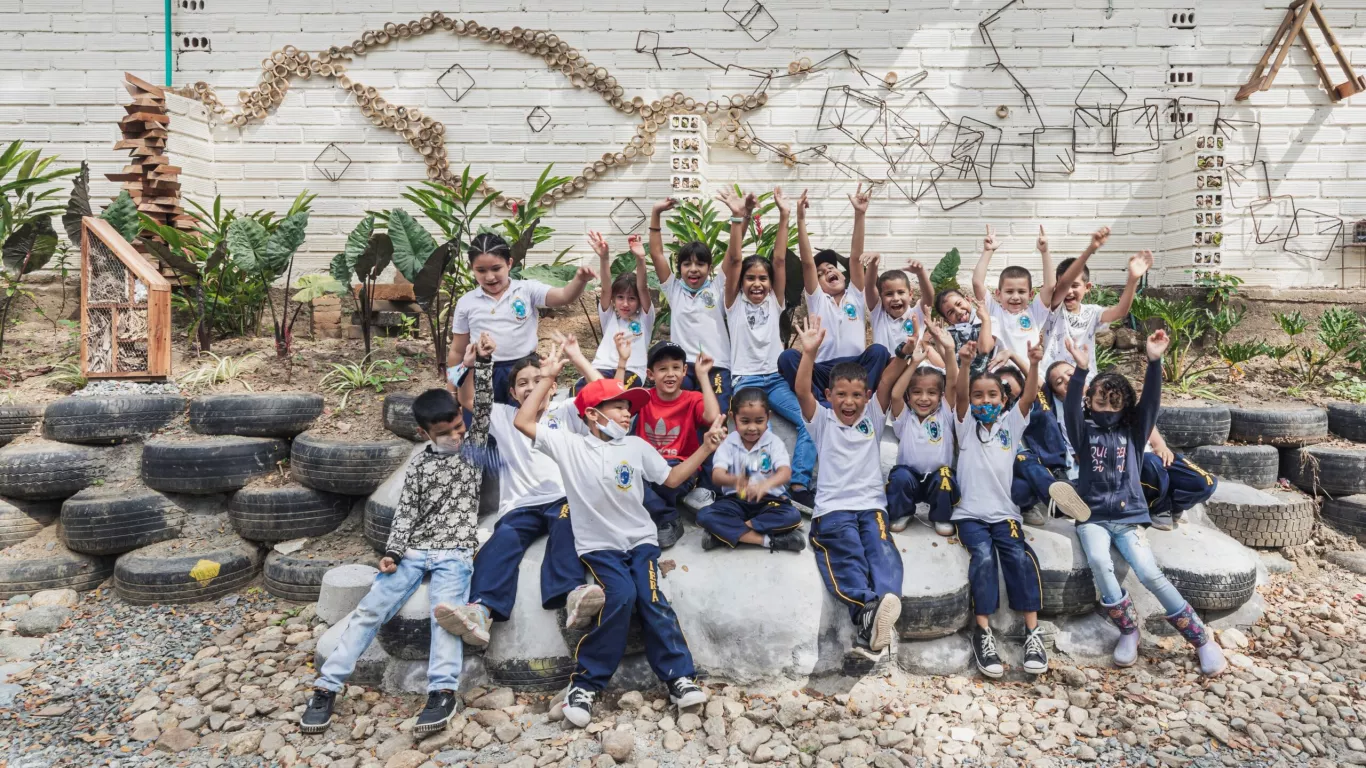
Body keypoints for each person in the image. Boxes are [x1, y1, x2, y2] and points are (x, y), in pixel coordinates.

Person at [514, 344, 721, 728]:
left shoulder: (637, 446)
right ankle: (587, 685)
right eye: (619, 407)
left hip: (641, 541)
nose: (628, 412)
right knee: (621, 598)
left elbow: (673, 479)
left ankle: (680, 677)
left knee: (653, 598)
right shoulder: (570, 445)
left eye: (630, 407)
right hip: (600, 546)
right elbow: (524, 422)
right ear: (593, 415)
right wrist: (547, 378)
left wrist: (706, 449)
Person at [301, 341, 498, 737]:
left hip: (455, 553)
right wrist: (392, 552)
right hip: (413, 552)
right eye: (444, 434)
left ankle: (441, 693)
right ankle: (326, 687)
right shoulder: (420, 465)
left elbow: (487, 403)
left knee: (446, 617)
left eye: (458, 427)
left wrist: (485, 362)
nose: (455, 437)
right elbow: (407, 512)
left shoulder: (474, 449)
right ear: (425, 433)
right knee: (372, 608)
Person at [1061, 333, 1227, 676]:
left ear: (1126, 406)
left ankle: (1200, 639)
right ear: (1089, 402)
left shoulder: (1135, 434)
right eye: (1100, 402)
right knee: (1097, 560)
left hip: (1128, 518)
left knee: (1149, 571)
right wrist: (1079, 371)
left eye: (1115, 402)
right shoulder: (1082, 432)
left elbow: (1151, 402)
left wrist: (1154, 362)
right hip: (1090, 517)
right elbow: (1069, 406)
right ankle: (1128, 630)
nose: (1107, 408)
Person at [436, 333, 611, 649]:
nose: (532, 387)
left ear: (553, 385)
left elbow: (607, 395)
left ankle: (573, 593)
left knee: (566, 521)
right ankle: (480, 610)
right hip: (518, 506)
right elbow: (465, 399)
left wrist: (576, 358)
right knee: (502, 539)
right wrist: (469, 365)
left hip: (563, 498)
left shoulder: (566, 411)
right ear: (513, 393)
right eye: (523, 383)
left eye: (539, 380)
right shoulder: (504, 416)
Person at [795, 316, 910, 660]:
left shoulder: (873, 417)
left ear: (868, 396)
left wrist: (906, 352)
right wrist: (809, 353)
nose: (849, 402)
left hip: (872, 507)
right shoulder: (822, 420)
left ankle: (884, 611)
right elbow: (802, 389)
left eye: (857, 395)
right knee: (846, 554)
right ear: (828, 395)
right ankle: (866, 612)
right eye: (841, 395)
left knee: (882, 550)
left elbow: (889, 376)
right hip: (832, 510)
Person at [951, 338, 1049, 679]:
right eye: (979, 396)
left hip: (1005, 513)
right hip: (969, 515)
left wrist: (1034, 364)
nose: (984, 401)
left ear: (1004, 400)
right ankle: (983, 631)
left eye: (992, 395)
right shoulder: (964, 427)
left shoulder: (1011, 425)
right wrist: (964, 364)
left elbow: (1030, 395)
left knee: (1019, 556)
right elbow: (960, 395)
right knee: (983, 557)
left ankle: (1033, 633)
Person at [719, 186, 817, 508]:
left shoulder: (776, 301)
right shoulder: (732, 303)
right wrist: (738, 217)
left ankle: (799, 485)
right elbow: (733, 260)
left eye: (762, 278)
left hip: (774, 379)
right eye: (750, 278)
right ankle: (758, 493)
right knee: (763, 434)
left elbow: (778, 258)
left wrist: (785, 214)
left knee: (808, 423)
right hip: (745, 380)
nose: (757, 283)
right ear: (741, 282)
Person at [1045, 359, 1217, 532]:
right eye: (1059, 382)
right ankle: (1158, 507)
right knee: (1150, 463)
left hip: (1152, 459)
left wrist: (1160, 445)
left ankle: (1171, 505)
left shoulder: (1111, 388)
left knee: (1204, 483)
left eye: (1070, 373)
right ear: (1057, 394)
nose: (1067, 380)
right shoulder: (1073, 418)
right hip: (1123, 472)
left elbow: (1144, 414)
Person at [778, 183, 891, 407]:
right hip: (824, 370)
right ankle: (822, 402)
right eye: (821, 273)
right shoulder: (817, 300)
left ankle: (862, 397)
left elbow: (856, 256)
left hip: (857, 368)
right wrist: (800, 219)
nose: (827, 271)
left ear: (843, 274)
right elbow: (808, 263)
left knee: (879, 351)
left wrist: (859, 214)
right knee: (788, 358)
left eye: (831, 267)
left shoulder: (856, 295)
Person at [447, 233, 593, 403]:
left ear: (509, 263)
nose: (489, 277)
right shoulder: (467, 302)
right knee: (484, 422)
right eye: (481, 270)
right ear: (472, 268)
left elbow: (563, 296)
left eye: (496, 268)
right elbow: (457, 350)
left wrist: (580, 280)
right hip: (482, 372)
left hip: (524, 372)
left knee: (526, 420)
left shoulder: (526, 290)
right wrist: (451, 392)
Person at [645, 198, 733, 415]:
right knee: (679, 413)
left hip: (717, 365)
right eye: (687, 264)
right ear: (679, 267)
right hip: (682, 369)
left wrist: (739, 216)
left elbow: (734, 257)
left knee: (717, 416)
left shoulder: (718, 288)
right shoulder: (674, 290)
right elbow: (656, 254)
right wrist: (656, 212)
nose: (694, 269)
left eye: (700, 264)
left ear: (710, 268)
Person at [695, 387, 806, 552]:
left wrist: (765, 485)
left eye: (759, 421)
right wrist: (735, 480)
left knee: (792, 515)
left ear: (769, 417)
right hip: (735, 502)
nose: (752, 428)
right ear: (733, 418)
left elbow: (785, 473)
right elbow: (717, 476)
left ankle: (725, 534)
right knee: (703, 515)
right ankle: (767, 541)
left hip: (768, 502)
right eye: (745, 421)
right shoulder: (728, 443)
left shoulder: (773, 443)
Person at [637, 340, 722, 549]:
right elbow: (614, 404)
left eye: (676, 368)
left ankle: (662, 512)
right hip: (647, 470)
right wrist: (622, 362)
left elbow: (712, 417)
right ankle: (669, 517)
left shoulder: (692, 398)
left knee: (648, 486)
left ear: (685, 371)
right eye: (662, 369)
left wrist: (703, 375)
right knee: (626, 477)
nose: (670, 374)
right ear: (650, 374)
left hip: (681, 469)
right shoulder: (642, 397)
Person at [993, 361, 1091, 527]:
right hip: (1001, 472)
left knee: (1024, 483)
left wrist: (1025, 360)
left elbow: (1035, 389)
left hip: (1030, 470)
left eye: (1014, 396)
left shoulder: (1028, 407)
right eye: (1004, 392)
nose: (1008, 399)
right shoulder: (982, 415)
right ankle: (1056, 501)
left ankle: (1049, 493)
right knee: (1023, 459)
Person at [886, 320, 960, 536]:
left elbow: (953, 383)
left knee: (946, 476)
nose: (924, 398)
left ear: (941, 396)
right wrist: (913, 363)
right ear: (909, 396)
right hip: (910, 479)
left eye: (931, 393)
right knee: (898, 476)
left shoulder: (945, 414)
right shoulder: (904, 417)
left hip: (937, 480)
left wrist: (949, 350)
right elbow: (895, 394)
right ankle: (903, 512)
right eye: (917, 392)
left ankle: (941, 516)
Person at [1043, 227, 1148, 379]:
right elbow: (1064, 284)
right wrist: (1091, 249)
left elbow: (1120, 312)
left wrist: (1132, 280)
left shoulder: (1092, 312)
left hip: (1085, 380)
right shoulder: (1052, 308)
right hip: (1053, 379)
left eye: (1075, 285)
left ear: (1087, 288)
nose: (1069, 291)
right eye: (1065, 286)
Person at [579, 231, 653, 390]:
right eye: (620, 297)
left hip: (632, 371)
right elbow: (606, 289)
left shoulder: (645, 319)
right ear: (613, 299)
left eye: (632, 298)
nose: (625, 303)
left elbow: (643, 288)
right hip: (601, 368)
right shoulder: (609, 317)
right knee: (579, 392)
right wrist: (604, 258)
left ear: (639, 301)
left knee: (616, 393)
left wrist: (640, 259)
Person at [971, 225, 1056, 361]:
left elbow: (1050, 286)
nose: (1015, 297)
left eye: (1021, 291)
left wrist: (1045, 252)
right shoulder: (994, 311)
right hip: (1001, 375)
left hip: (1030, 375)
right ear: (998, 294)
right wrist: (988, 251)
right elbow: (977, 283)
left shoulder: (1035, 312)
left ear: (1031, 294)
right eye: (1009, 291)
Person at [862, 252, 945, 370]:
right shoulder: (878, 313)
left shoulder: (916, 314)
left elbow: (929, 297)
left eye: (901, 292)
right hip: (884, 372)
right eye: (889, 294)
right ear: (881, 297)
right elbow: (870, 286)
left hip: (912, 371)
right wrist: (874, 263)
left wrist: (921, 274)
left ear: (910, 295)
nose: (896, 298)